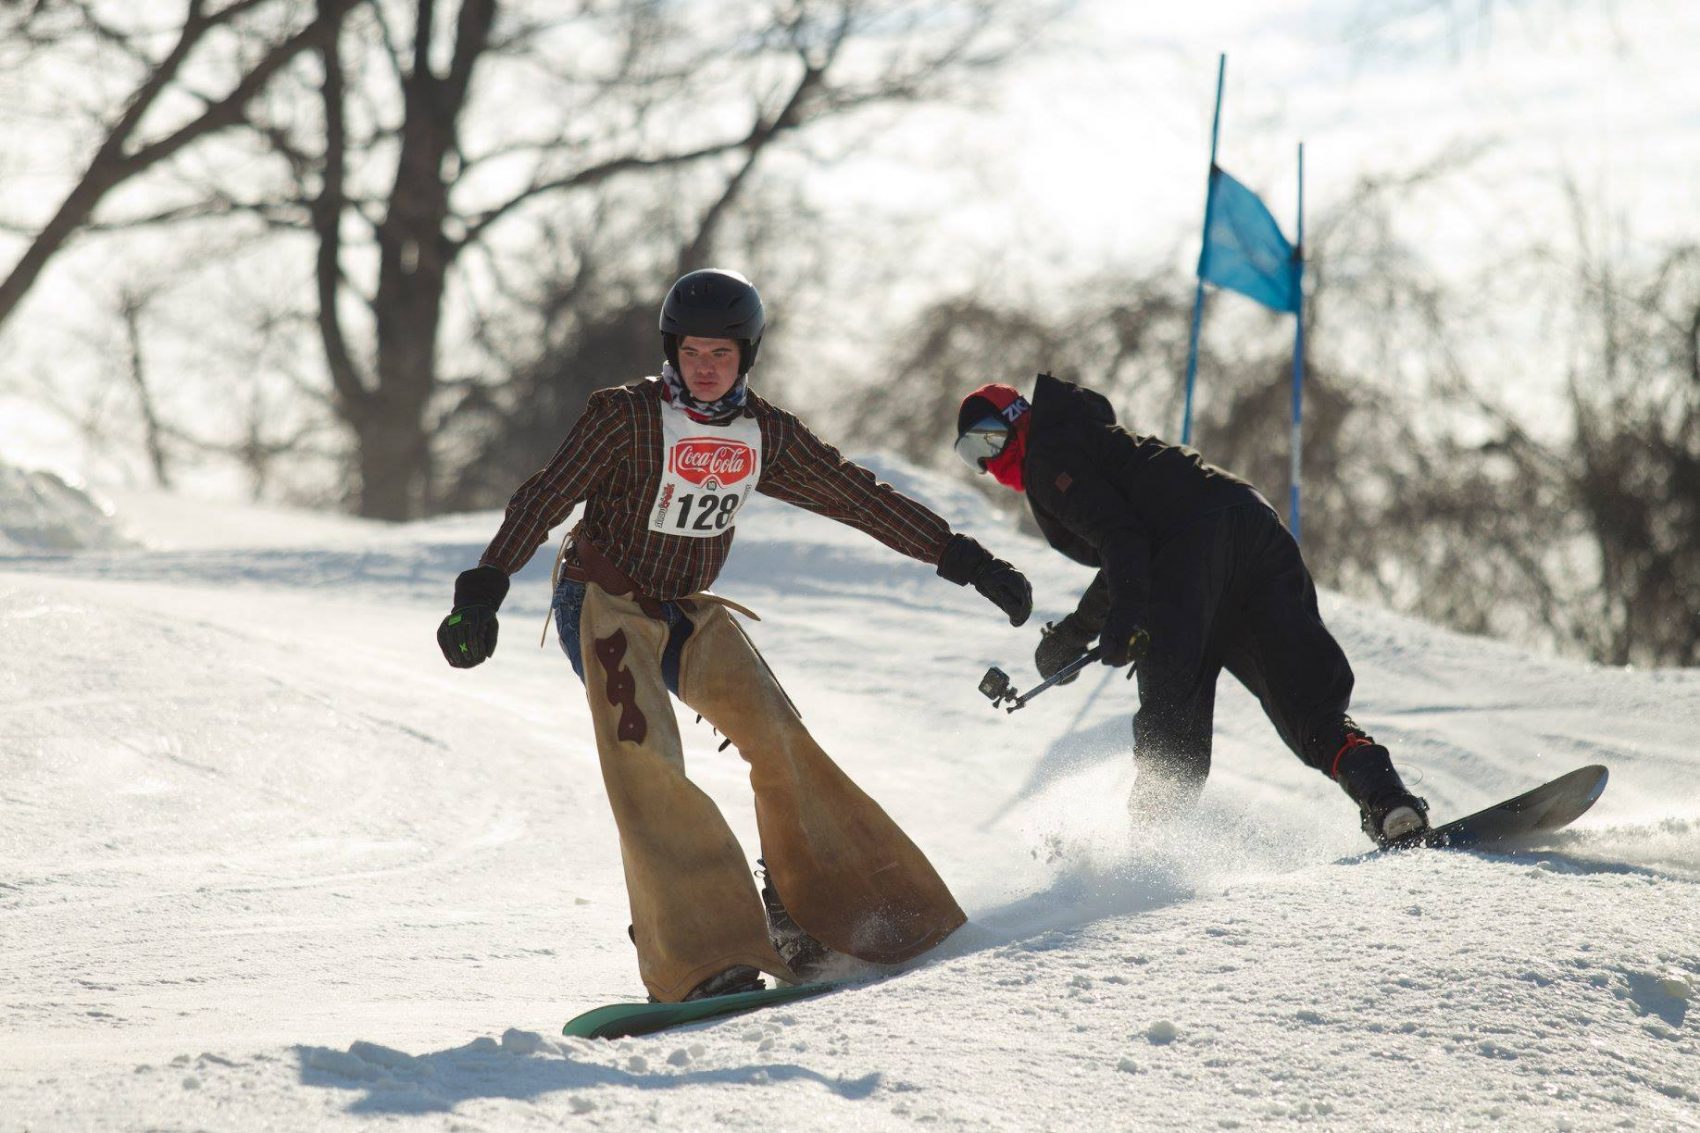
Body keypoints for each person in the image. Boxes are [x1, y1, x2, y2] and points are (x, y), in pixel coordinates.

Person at [438, 269, 1033, 1003]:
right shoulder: (624, 416)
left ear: (745, 356)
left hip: (686, 606)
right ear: (672, 350)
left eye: (721, 354)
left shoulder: (764, 432)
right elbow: (546, 494)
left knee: (779, 735)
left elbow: (855, 494)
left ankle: (816, 918)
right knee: (646, 759)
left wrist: (965, 558)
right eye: (692, 352)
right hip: (601, 599)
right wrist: (484, 587)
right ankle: (701, 950)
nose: (706, 368)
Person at [952, 372, 1429, 847]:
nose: (989, 463)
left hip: (1189, 553)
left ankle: (1148, 858)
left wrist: (1114, 625)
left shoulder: (1047, 455)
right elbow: (1127, 551)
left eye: (988, 442)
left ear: (1017, 420)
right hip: (1254, 529)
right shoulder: (1086, 440)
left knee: (1172, 729)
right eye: (973, 456)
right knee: (1308, 706)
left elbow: (1125, 541)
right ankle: (1388, 801)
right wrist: (1076, 633)